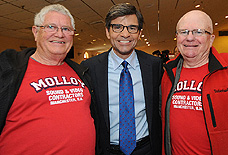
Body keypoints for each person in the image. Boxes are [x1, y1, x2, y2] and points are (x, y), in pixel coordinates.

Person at [0, 4, 97, 154]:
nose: (60, 34)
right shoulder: (9, 71)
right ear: (36, 31)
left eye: (66, 29)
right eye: (51, 27)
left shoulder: (82, 72)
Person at [81, 3, 163, 155]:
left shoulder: (153, 65)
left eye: (132, 28)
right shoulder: (90, 68)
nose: (125, 34)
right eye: (117, 27)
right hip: (107, 150)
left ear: (139, 33)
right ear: (108, 31)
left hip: (147, 148)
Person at [161, 10, 228, 155]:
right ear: (177, 37)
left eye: (198, 32)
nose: (190, 38)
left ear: (211, 39)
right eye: (183, 32)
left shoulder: (225, 70)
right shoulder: (168, 73)